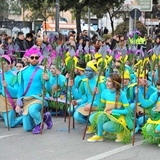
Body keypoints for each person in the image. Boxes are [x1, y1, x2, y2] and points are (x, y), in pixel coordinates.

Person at [15, 46, 53, 134]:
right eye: (32, 57)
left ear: (39, 59)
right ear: (28, 58)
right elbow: (21, 87)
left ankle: (40, 124)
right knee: (27, 128)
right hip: (26, 100)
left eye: (36, 57)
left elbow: (49, 88)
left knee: (32, 110)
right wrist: (19, 101)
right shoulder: (22, 72)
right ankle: (46, 117)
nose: (34, 59)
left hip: (38, 98)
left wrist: (47, 80)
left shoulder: (43, 71)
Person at [88, 73, 133, 143]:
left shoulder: (122, 94)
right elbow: (100, 107)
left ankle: (121, 131)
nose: (106, 83)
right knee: (94, 117)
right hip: (108, 115)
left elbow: (128, 111)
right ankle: (99, 135)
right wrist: (97, 95)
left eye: (109, 81)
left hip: (119, 118)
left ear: (115, 83)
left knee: (106, 126)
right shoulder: (105, 92)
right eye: (106, 81)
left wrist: (113, 111)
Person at [73, 60, 106, 134]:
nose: (87, 72)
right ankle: (90, 125)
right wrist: (78, 102)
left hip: (99, 105)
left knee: (92, 118)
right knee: (76, 115)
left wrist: (92, 104)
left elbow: (103, 99)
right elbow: (85, 97)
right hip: (88, 104)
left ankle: (99, 126)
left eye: (89, 71)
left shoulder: (101, 82)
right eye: (86, 70)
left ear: (94, 72)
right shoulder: (85, 82)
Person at [136, 78, 160, 147]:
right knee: (149, 129)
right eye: (158, 89)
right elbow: (145, 104)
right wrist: (139, 94)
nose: (159, 91)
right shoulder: (156, 94)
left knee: (157, 129)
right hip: (158, 117)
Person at [0, 55, 22, 128]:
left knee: (10, 124)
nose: (2, 66)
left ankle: (26, 117)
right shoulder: (0, 75)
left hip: (12, 100)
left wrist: (7, 86)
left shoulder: (15, 75)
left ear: (9, 64)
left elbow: (16, 91)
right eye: (1, 64)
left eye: (4, 64)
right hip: (3, 100)